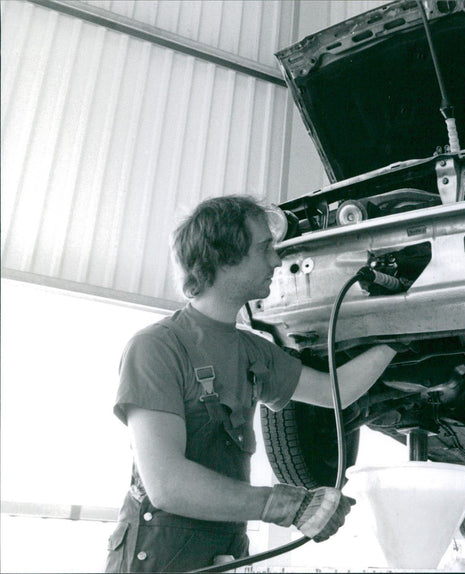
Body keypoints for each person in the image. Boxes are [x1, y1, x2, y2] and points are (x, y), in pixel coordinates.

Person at [105, 195, 396, 572]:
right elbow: (167, 484)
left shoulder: (252, 351)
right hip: (158, 558)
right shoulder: (157, 348)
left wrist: (398, 339)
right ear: (224, 258)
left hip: (223, 555)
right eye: (264, 249)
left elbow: (332, 391)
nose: (276, 260)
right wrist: (285, 505)